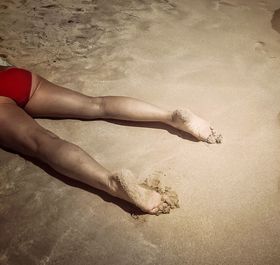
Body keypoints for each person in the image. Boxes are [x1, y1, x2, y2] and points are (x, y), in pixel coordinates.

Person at [0, 65, 222, 215]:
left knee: (42, 141)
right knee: (96, 104)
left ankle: (111, 183)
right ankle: (170, 117)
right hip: (12, 77)